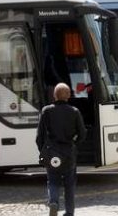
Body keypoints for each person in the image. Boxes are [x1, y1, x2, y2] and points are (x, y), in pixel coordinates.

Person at [36, 83, 87, 216]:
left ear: (54, 95)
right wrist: (74, 144)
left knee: (52, 181)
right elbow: (82, 133)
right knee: (69, 185)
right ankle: (69, 213)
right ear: (69, 95)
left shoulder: (46, 111)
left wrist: (43, 151)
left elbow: (39, 136)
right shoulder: (74, 111)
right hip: (69, 153)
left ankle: (54, 202)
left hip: (52, 153)